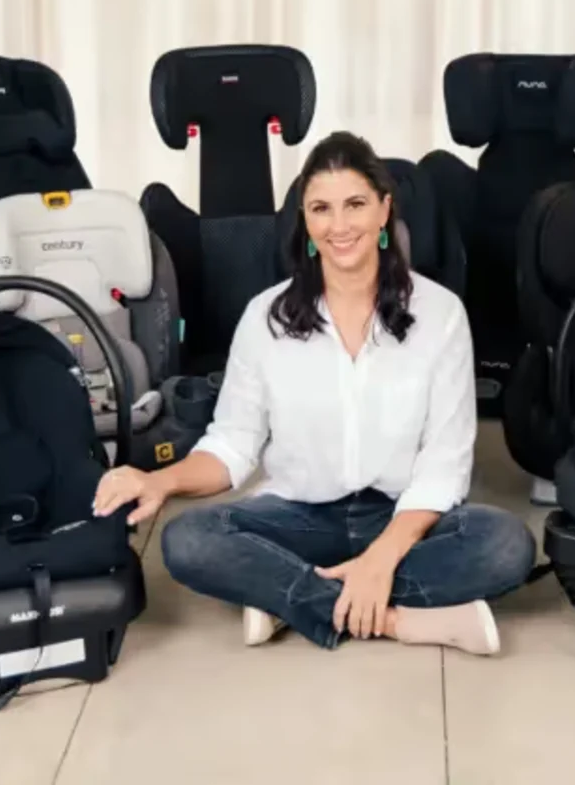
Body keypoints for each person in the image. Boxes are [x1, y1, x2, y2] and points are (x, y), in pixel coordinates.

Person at [91, 130, 535, 654]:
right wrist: (157, 481)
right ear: (305, 219)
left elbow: (445, 466)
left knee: (506, 545)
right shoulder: (265, 316)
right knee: (187, 540)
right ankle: (397, 621)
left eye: (355, 205)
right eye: (322, 208)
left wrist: (382, 557)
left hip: (401, 514)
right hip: (300, 516)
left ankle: (286, 596)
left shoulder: (440, 314)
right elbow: (232, 445)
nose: (339, 226)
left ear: (384, 210)